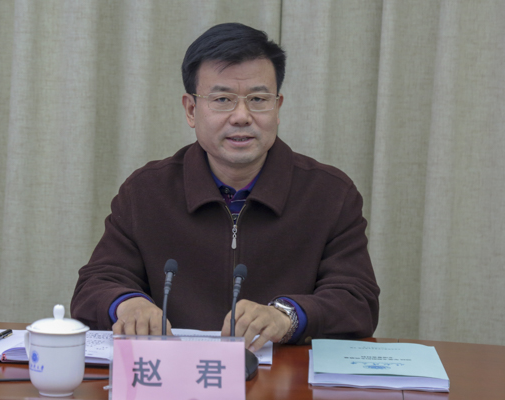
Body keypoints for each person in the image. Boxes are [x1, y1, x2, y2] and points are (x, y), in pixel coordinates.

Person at [71, 22, 379, 352]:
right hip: (174, 372)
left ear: (277, 107)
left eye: (258, 99)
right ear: (191, 110)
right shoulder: (146, 192)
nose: (242, 116)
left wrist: (287, 317)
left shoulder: (329, 194)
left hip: (282, 375)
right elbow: (95, 285)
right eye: (222, 99)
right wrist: (127, 304)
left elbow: (357, 300)